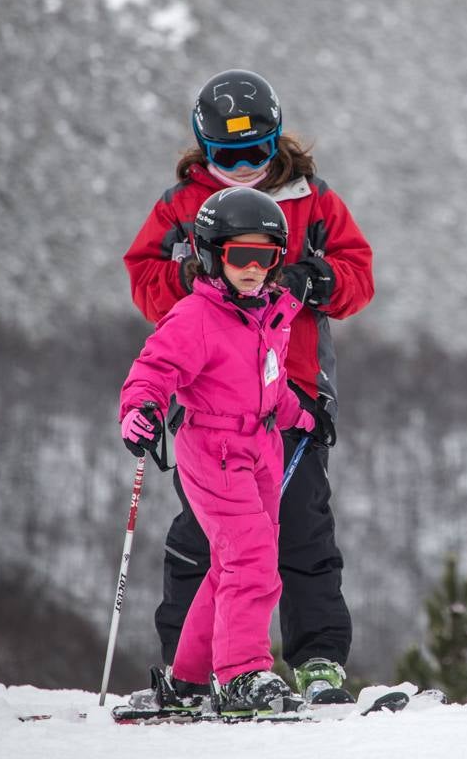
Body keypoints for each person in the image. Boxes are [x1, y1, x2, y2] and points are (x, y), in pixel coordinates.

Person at [123, 69, 373, 704]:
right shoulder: (183, 204)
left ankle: (316, 659)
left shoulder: (312, 199)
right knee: (207, 536)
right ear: (204, 150)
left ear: (277, 140)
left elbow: (357, 275)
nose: (241, 168)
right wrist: (203, 279)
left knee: (302, 528)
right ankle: (197, 664)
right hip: (211, 401)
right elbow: (147, 281)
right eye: (225, 157)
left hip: (292, 391)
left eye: (255, 154)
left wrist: (313, 280)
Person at [119, 188, 335, 714]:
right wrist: (141, 410)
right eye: (241, 255)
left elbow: (270, 386)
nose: (254, 269)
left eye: (266, 257)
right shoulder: (195, 317)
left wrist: (304, 416)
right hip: (213, 448)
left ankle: (190, 678)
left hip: (262, 447)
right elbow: (153, 370)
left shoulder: (270, 316)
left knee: (231, 564)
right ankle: (242, 673)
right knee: (253, 559)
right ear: (214, 255)